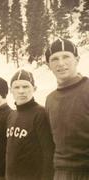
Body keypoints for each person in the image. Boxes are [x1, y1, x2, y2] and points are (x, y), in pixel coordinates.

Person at [45, 38, 89, 180]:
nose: (61, 63)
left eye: (66, 57)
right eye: (54, 59)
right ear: (48, 65)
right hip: (61, 173)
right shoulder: (50, 99)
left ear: (77, 59)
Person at [6, 70, 54, 180]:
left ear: (34, 88)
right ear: (11, 90)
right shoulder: (11, 115)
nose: (21, 91)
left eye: (25, 86)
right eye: (16, 87)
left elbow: (48, 153)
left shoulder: (41, 114)